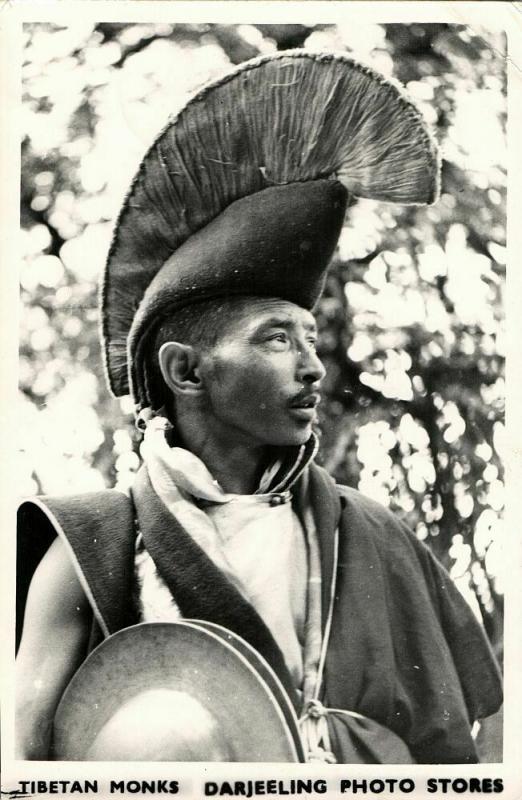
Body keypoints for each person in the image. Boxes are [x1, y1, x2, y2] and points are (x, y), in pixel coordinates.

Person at [16, 50, 502, 764]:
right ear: (186, 370)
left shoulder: (368, 532)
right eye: (277, 340)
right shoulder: (93, 543)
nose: (313, 367)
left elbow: (491, 731)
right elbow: (20, 753)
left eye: (312, 339)